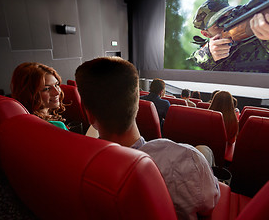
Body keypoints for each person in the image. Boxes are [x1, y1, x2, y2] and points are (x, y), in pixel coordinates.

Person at [75, 57, 220, 219]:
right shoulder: (186, 157)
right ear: (137, 102)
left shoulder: (76, 168)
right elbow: (209, 206)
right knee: (204, 151)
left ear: (88, 114)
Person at [10, 62, 68, 130]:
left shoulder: (22, 119)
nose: (57, 92)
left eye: (56, 85)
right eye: (46, 89)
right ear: (29, 94)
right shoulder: (55, 126)